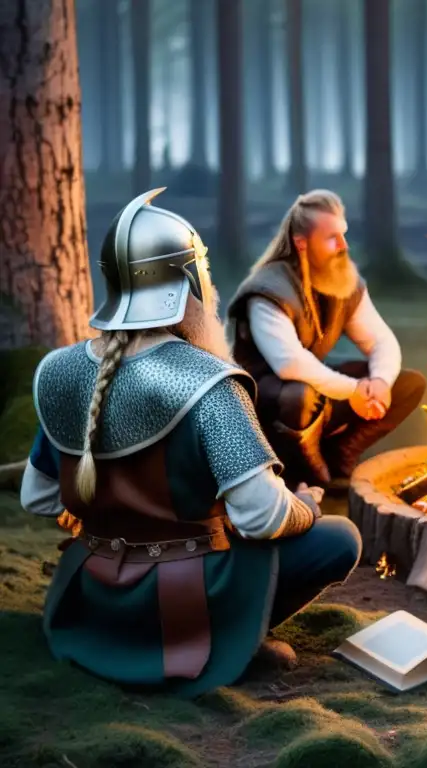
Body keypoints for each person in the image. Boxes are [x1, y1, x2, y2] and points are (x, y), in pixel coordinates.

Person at [20, 189, 363, 697]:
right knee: (340, 539)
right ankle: (233, 636)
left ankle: (133, 634)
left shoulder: (61, 370)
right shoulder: (210, 383)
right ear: (187, 284)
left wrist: (115, 518)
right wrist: (306, 507)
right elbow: (262, 517)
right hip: (181, 604)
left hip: (94, 596)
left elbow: (39, 497)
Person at [227, 190, 426, 487]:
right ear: (301, 243)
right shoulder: (268, 291)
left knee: (407, 384)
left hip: (315, 393)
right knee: (299, 395)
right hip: (263, 405)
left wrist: (380, 382)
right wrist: (354, 389)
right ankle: (303, 471)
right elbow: (289, 364)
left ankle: (340, 452)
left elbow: (381, 341)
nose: (344, 246)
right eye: (332, 237)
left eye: (343, 235)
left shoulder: (344, 282)